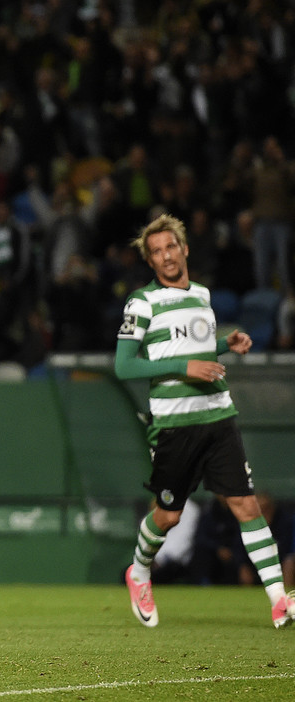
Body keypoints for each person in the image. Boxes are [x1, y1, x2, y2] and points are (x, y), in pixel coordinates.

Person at [115, 212, 295, 628]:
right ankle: (139, 571)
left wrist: (223, 346)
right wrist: (184, 368)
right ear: (151, 261)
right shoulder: (141, 303)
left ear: (185, 249)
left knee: (246, 505)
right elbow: (125, 366)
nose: (165, 256)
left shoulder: (202, 294)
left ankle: (277, 600)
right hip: (174, 424)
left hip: (218, 415)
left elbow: (197, 352)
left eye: (170, 247)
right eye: (156, 252)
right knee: (169, 516)